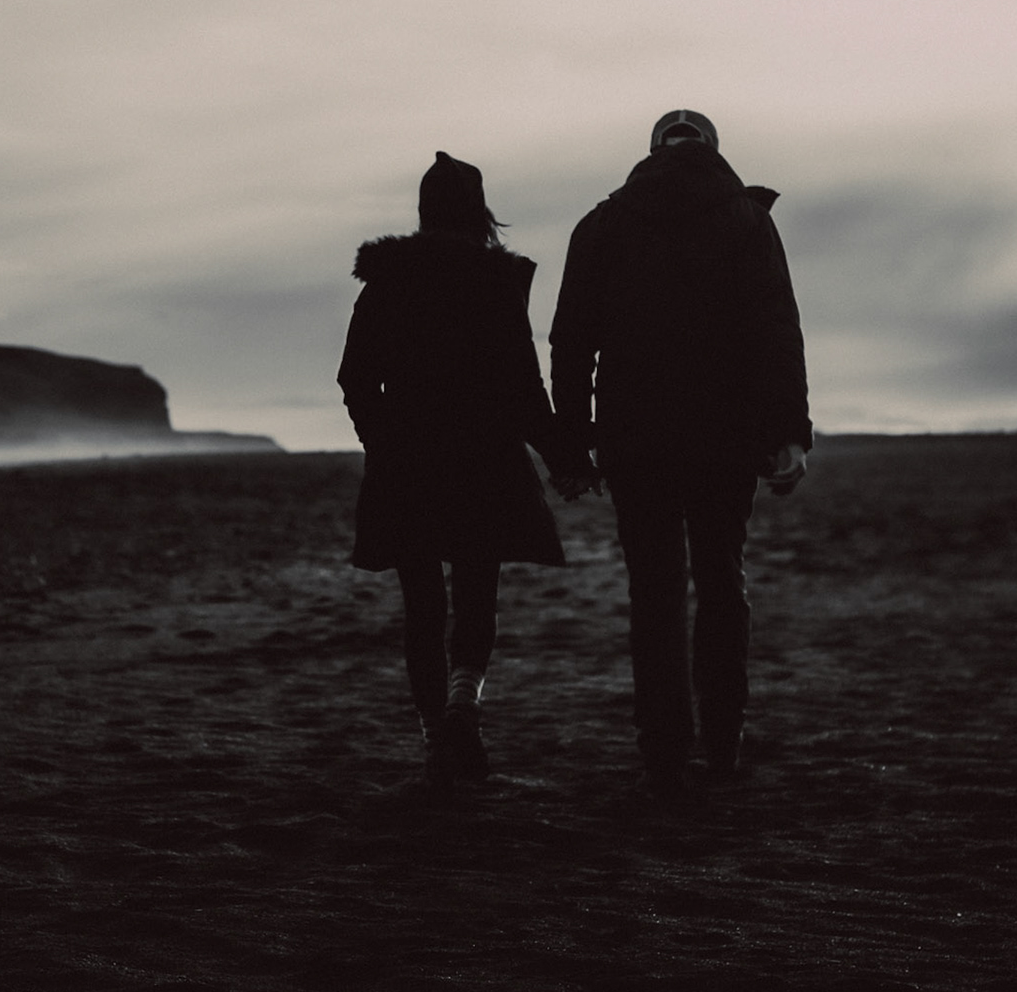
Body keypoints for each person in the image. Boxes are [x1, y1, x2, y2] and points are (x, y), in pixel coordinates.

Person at [549, 109, 811, 796]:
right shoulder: (748, 221)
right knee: (722, 582)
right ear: (713, 150)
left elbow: (571, 342)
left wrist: (572, 445)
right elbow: (777, 332)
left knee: (655, 592)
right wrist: (787, 432)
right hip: (727, 436)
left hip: (635, 438)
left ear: (652, 151)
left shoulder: (603, 223)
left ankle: (663, 751)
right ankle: (723, 743)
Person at [339, 152, 586, 794]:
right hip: (484, 460)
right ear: (479, 213)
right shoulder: (496, 283)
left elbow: (355, 377)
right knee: (477, 594)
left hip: (407, 463)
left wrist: (381, 441)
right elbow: (524, 390)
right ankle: (462, 705)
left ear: (424, 212)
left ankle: (433, 736)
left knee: (422, 605)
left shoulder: (386, 281)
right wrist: (565, 459)